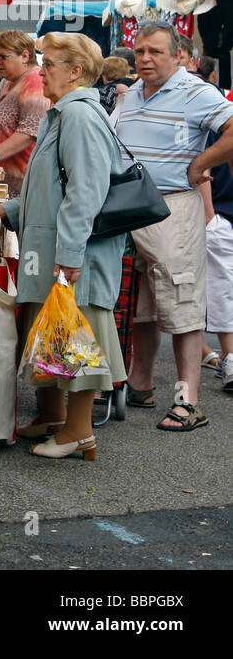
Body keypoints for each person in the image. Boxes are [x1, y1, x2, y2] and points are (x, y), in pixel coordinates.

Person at [0, 33, 127, 459]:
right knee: (55, 333)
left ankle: (78, 433)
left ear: (76, 71)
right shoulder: (64, 113)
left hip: (75, 252)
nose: (41, 71)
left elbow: (86, 191)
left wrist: (71, 255)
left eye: (50, 63)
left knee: (78, 338)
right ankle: (54, 417)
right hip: (57, 246)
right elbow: (45, 185)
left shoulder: (79, 116)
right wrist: (10, 208)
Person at [115, 22, 233, 431]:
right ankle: (141, 383)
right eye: (140, 51)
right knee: (145, 304)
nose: (145, 59)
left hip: (173, 208)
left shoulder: (197, 92)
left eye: (155, 52)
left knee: (182, 300)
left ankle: (189, 401)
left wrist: (202, 163)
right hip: (134, 208)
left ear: (178, 55)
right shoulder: (130, 94)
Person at [0, 31, 49, 196]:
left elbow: (29, 132)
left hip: (16, 187)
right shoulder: (12, 83)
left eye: (3, 57)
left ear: (25, 56)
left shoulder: (35, 81)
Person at [200, 135, 233, 388]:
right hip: (222, 215)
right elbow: (203, 163)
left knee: (224, 287)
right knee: (223, 288)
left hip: (220, 216)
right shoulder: (222, 111)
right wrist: (210, 216)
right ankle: (230, 357)